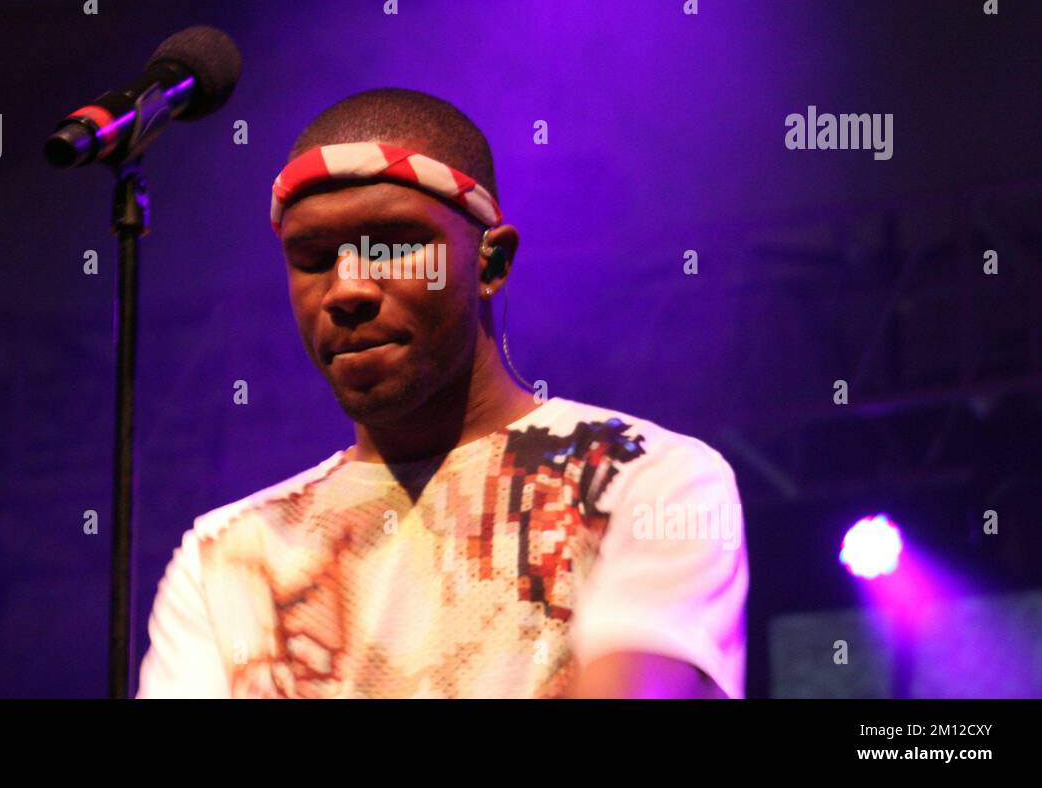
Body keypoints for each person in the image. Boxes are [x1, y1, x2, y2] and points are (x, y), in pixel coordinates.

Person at [136, 87, 748, 698]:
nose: (347, 288)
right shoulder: (224, 556)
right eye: (316, 257)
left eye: (394, 247)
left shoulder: (640, 478)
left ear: (490, 263)